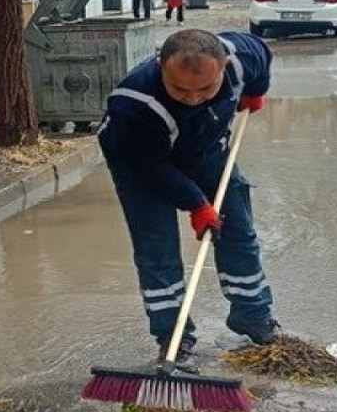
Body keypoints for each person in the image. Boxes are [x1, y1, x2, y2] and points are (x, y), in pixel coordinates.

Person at [97, 29, 280, 366]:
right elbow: (150, 168)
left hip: (206, 147)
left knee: (238, 228)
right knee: (157, 247)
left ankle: (252, 315)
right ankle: (173, 337)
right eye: (180, 89)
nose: (194, 98)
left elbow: (262, 56)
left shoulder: (241, 58)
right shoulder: (134, 103)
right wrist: (197, 204)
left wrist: (256, 91)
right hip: (141, 162)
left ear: (224, 66)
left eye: (206, 88)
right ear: (161, 67)